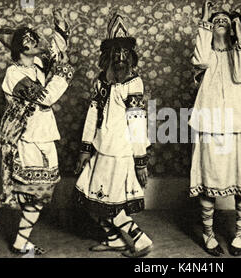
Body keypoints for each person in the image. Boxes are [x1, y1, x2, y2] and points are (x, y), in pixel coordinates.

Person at [0, 10, 74, 255]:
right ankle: (19, 242)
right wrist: (65, 73)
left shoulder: (38, 65)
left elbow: (57, 52)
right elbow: (45, 98)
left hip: (44, 134)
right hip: (25, 138)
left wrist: (60, 28)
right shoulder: (14, 74)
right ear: (18, 48)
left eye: (34, 36)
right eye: (27, 39)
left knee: (40, 193)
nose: (34, 40)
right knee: (32, 193)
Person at [74, 13, 152, 258]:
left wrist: (140, 161)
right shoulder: (100, 82)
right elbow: (91, 115)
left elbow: (138, 123)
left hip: (120, 152)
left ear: (132, 56)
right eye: (115, 52)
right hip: (100, 148)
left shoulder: (134, 84)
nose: (120, 58)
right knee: (88, 197)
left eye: (125, 53)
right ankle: (114, 239)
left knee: (107, 201)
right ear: (106, 55)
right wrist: (85, 149)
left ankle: (140, 240)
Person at [189, 1, 241, 256]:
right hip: (210, 125)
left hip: (239, 126)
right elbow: (201, 58)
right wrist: (205, 20)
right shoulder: (204, 56)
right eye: (215, 21)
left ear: (233, 29)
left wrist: (240, 35)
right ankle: (208, 233)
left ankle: (240, 234)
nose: (220, 22)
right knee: (210, 179)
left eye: (225, 21)